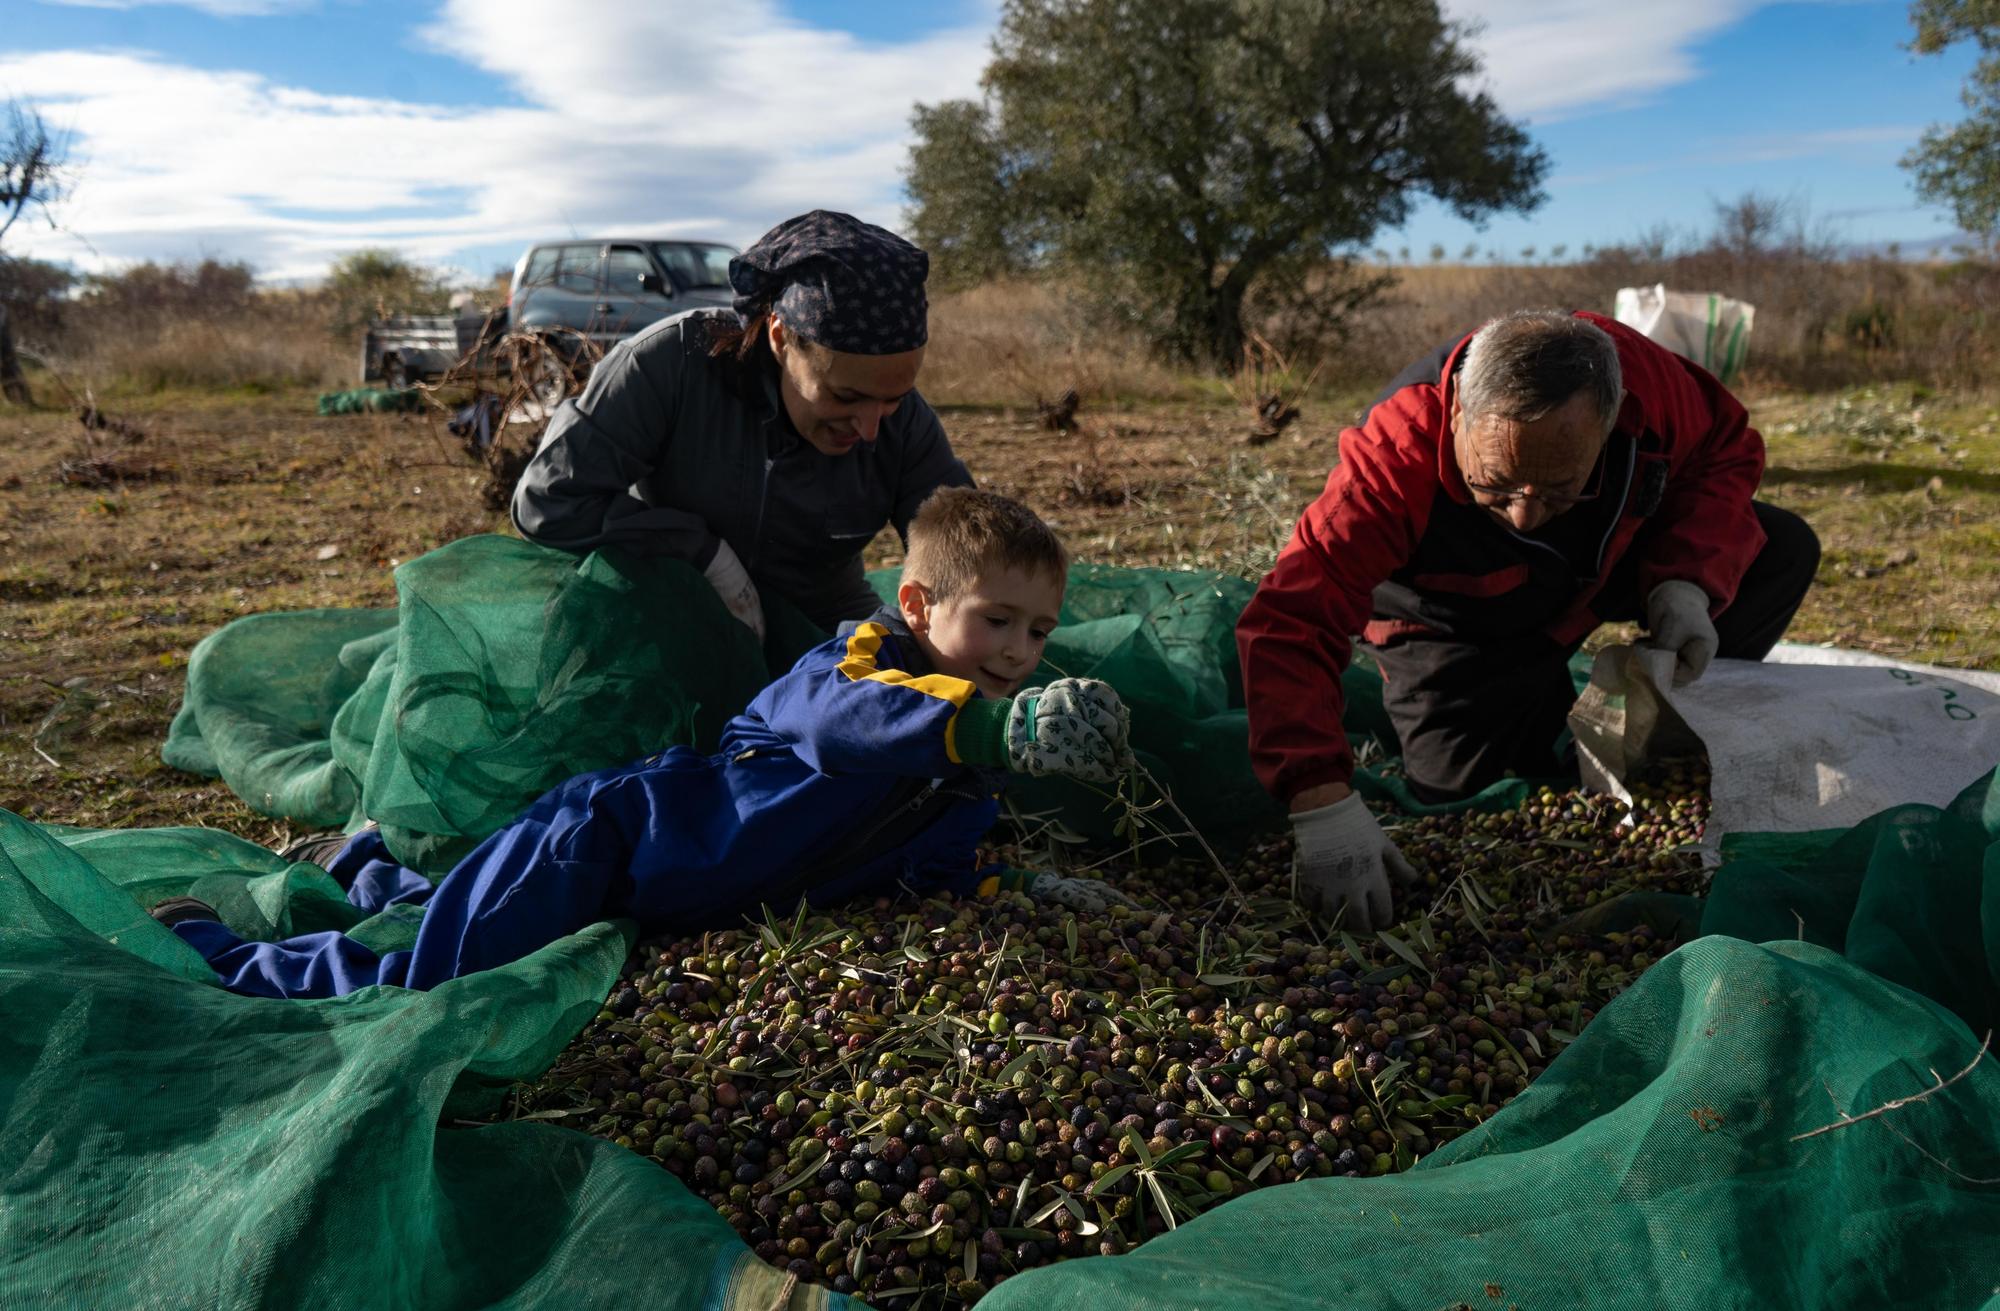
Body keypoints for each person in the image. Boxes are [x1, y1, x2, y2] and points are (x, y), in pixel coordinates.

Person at [160, 490, 1134, 999]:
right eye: (997, 621)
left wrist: (1017, 890)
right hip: (606, 843)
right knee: (431, 977)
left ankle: (365, 868)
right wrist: (997, 727)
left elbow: (918, 864)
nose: (1018, 652)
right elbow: (847, 729)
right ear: (918, 603)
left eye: (1038, 633)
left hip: (656, 902)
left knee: (449, 914)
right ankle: (216, 953)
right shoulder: (852, 669)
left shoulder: (962, 764)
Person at [1236, 309, 1820, 931]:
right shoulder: (1392, 457)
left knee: (1779, 548)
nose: (1523, 515)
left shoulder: (1650, 385)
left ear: (1614, 417)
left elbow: (1723, 451)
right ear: (1457, 414)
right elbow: (1291, 618)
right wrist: (1319, 797)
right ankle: (1524, 699)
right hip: (1448, 619)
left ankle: (1674, 732)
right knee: (1465, 796)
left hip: (1585, 579)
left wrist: (1687, 581)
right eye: (1495, 483)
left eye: (1560, 485)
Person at [511, 209, 974, 637]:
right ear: (779, 338)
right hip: (666, 614)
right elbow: (547, 502)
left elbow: (968, 549)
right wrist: (699, 551)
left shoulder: (905, 421)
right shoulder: (670, 366)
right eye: (844, 395)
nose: (872, 428)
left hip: (821, 624)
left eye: (892, 399)